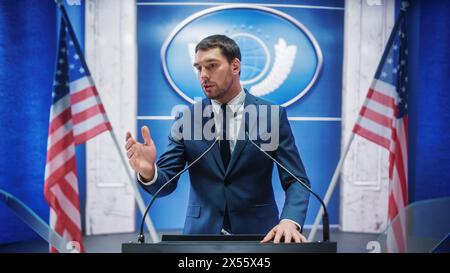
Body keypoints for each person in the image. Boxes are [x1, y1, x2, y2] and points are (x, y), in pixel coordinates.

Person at [125, 34, 310, 243]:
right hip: (200, 238)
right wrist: (149, 171)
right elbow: (165, 184)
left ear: (235, 66)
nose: (203, 75)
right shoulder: (187, 119)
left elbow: (296, 180)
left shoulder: (271, 116)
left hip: (261, 236)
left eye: (211, 65)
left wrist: (289, 220)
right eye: (198, 68)